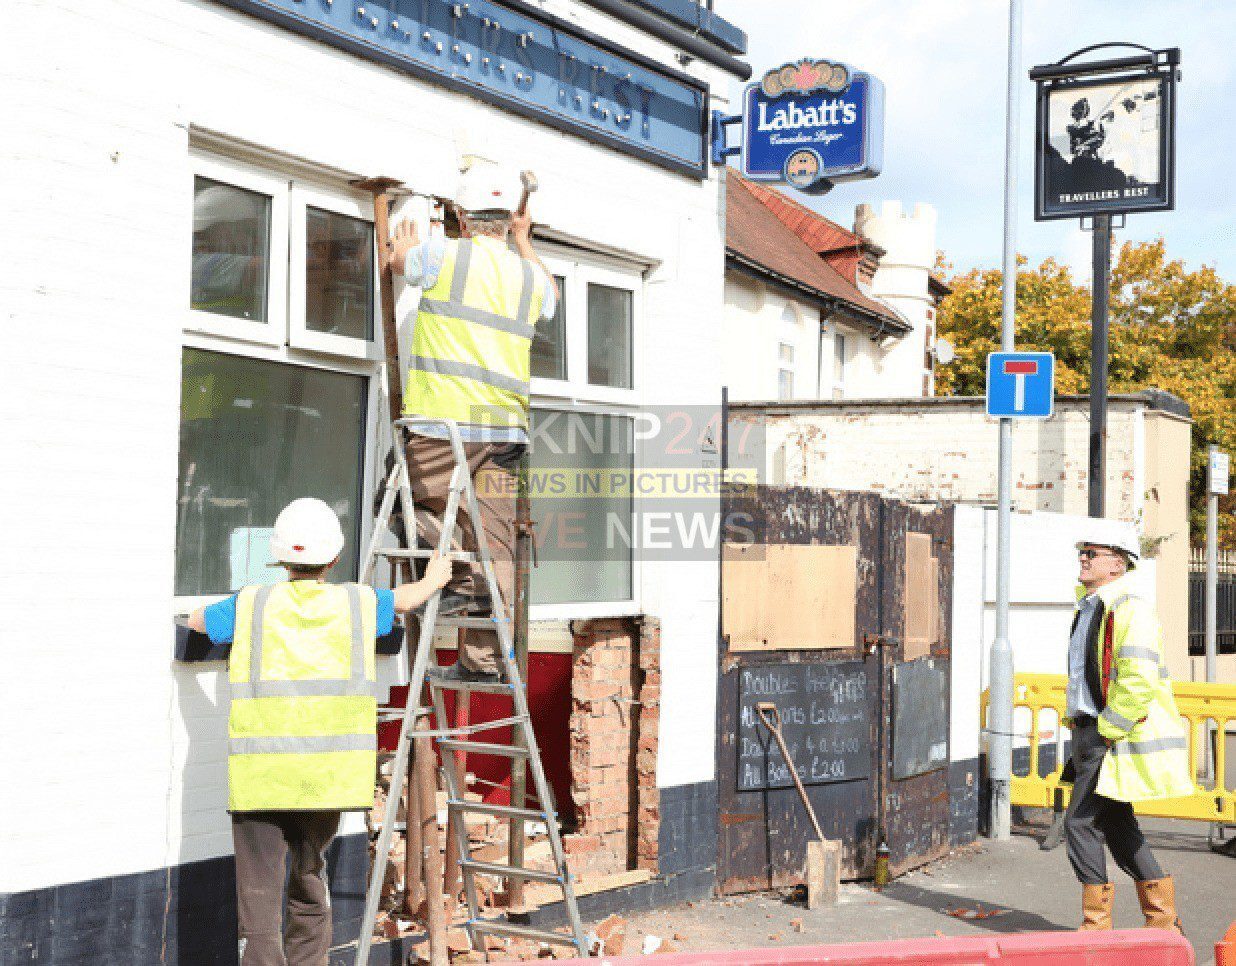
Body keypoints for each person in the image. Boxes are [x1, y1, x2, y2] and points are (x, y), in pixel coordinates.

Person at [186, 497, 451, 966]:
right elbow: (407, 600)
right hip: (325, 782)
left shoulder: (251, 603)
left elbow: (200, 622)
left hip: (259, 784)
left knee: (258, 898)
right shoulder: (356, 602)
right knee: (310, 882)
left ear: (279, 558)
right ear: (332, 558)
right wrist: (435, 577)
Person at [386, 157, 558, 684]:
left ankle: (453, 582)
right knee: (495, 540)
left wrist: (404, 245)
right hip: (504, 432)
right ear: (507, 220)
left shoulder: (446, 256)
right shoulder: (530, 275)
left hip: (443, 426)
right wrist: (524, 240)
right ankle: (482, 661)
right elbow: (549, 298)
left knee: (399, 508)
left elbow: (401, 263)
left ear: (460, 215)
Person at [1062, 522, 1193, 933]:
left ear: (1117, 564)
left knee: (1079, 823)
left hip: (1108, 735)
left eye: (1092, 553)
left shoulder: (1128, 607)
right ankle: (1164, 925)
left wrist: (1107, 730)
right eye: (1081, 552)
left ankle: (1096, 928)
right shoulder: (1092, 606)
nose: (1083, 558)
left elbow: (1138, 677)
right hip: (1091, 730)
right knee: (1117, 822)